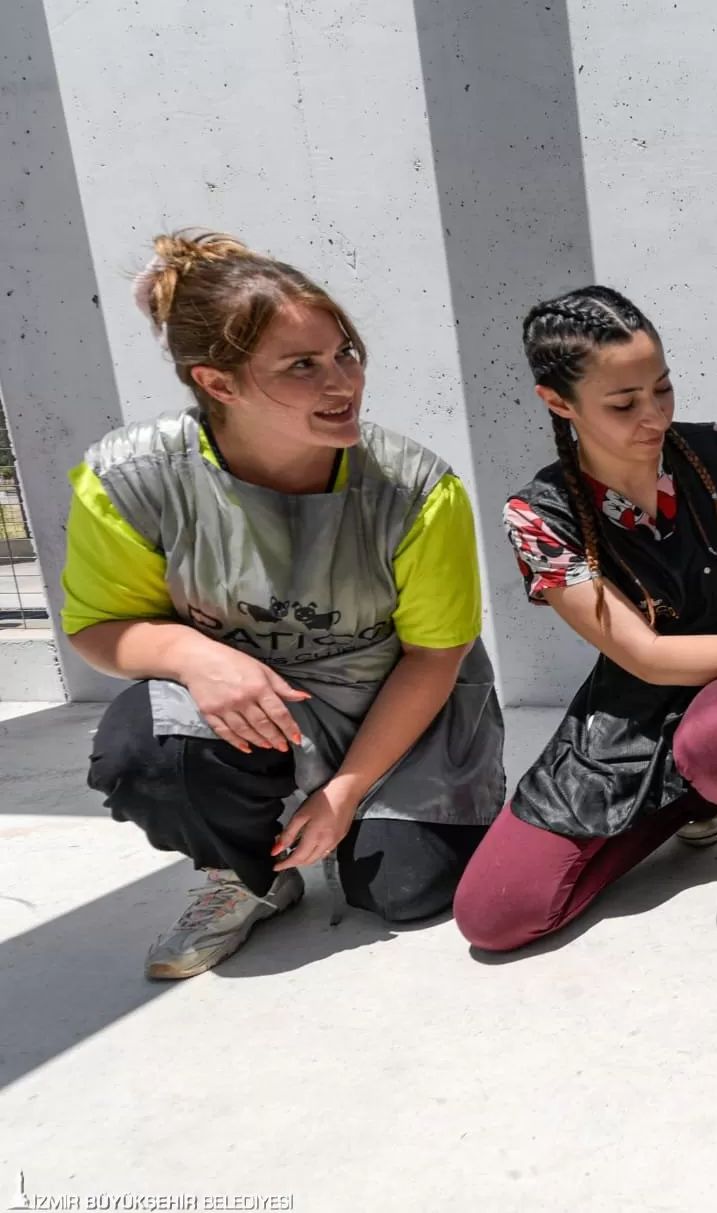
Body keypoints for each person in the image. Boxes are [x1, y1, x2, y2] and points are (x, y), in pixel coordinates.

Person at [66, 231, 505, 979]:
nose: (343, 384)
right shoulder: (131, 479)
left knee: (405, 890)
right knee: (144, 754)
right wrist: (194, 655)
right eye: (302, 366)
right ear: (220, 382)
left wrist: (343, 792)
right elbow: (97, 627)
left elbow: (437, 655)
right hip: (257, 711)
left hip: (403, 709)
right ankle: (248, 875)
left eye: (346, 353)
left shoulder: (416, 489)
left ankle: (358, 813)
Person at [451, 287, 717, 951]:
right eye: (623, 403)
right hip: (631, 709)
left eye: (663, 389)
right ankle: (688, 800)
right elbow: (642, 655)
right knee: (493, 915)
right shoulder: (540, 515)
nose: (655, 416)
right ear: (558, 403)